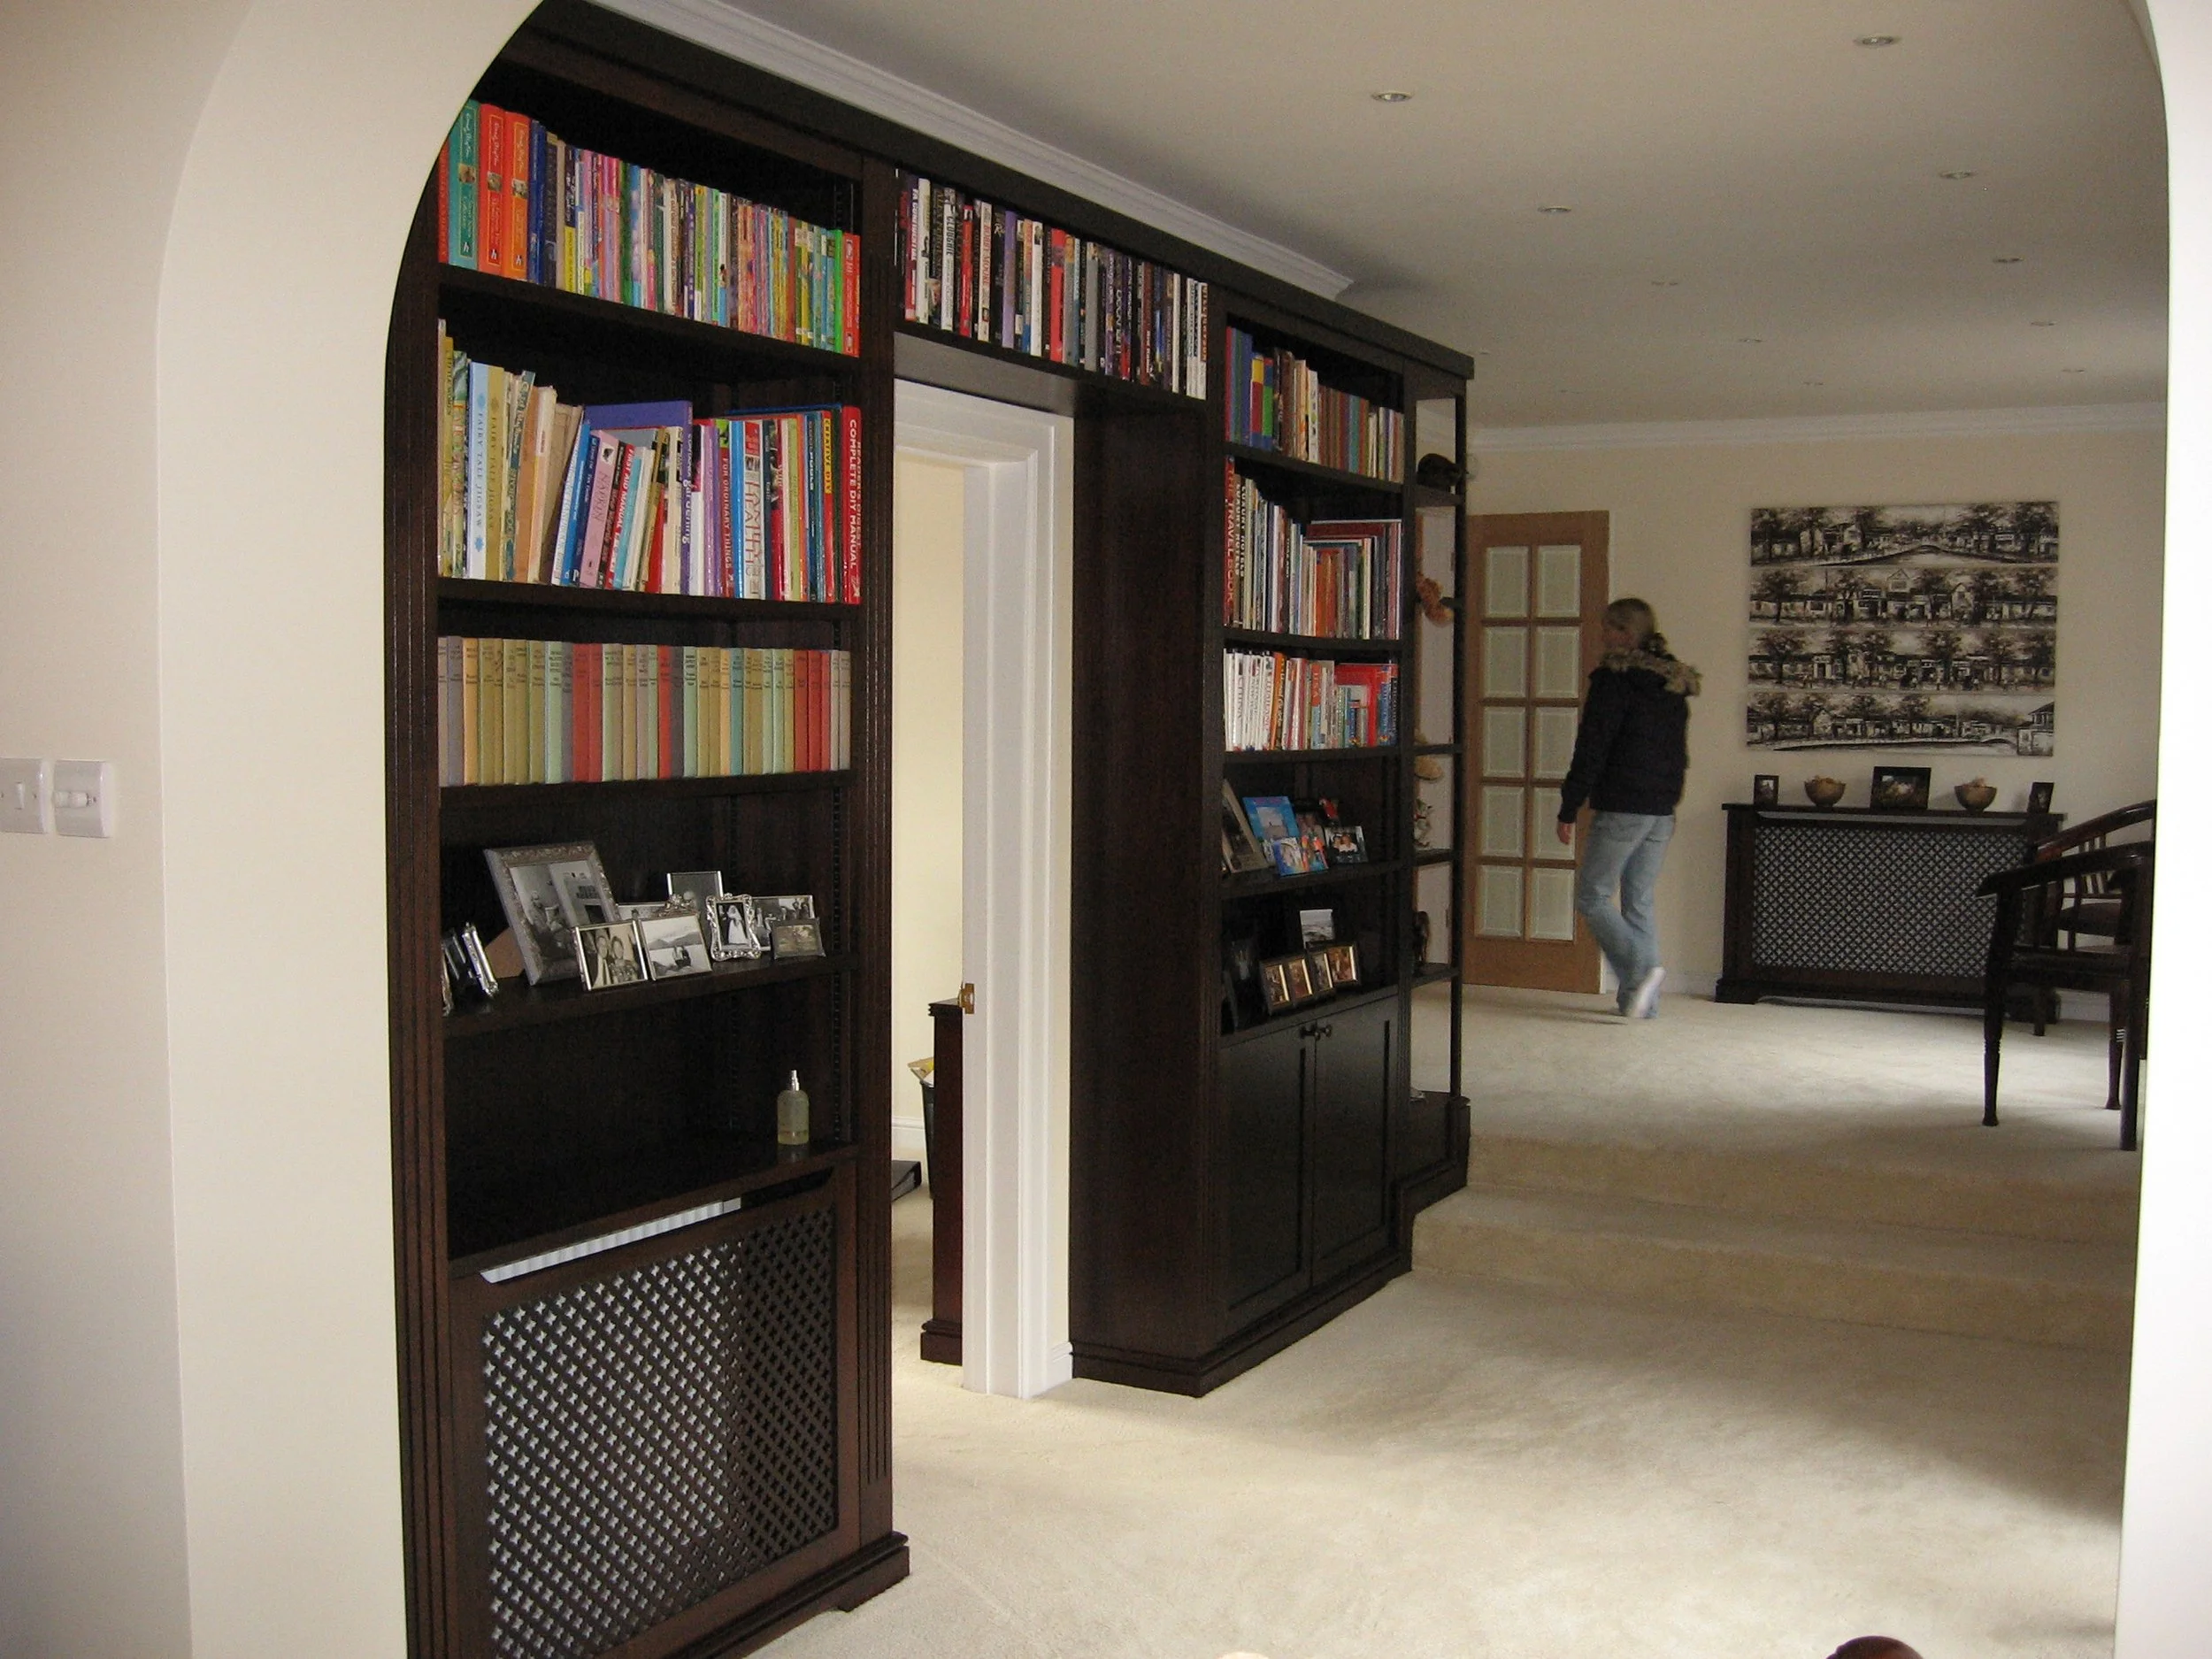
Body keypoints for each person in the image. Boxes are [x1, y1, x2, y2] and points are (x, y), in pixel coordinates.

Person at [1555, 596, 1701, 1018]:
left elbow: (1592, 747)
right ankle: (1643, 1004)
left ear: (1624, 633)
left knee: (1592, 896)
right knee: (1638, 900)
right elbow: (1677, 752)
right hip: (1661, 808)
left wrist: (1569, 805)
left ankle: (1640, 971)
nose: (1602, 635)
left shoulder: (1614, 680)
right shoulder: (1670, 684)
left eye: (1607, 628)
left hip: (1624, 804)